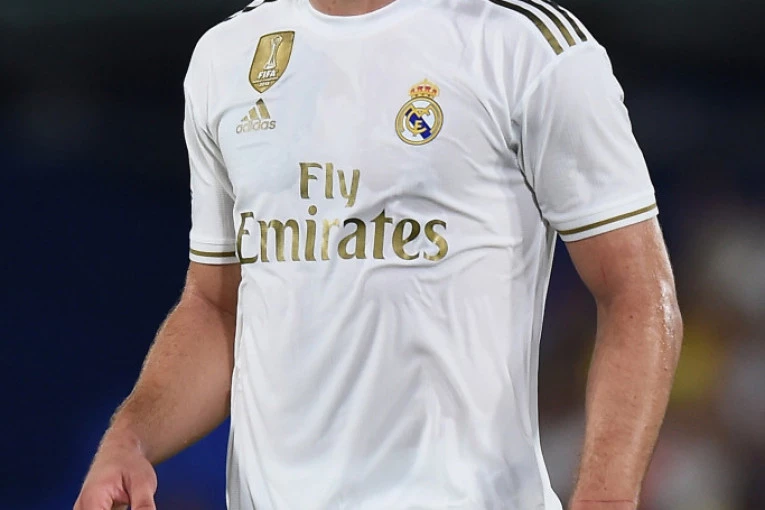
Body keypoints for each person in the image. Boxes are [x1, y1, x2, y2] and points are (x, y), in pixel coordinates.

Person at [74, 0, 683, 508]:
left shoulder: (527, 46)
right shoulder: (227, 54)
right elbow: (217, 306)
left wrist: (606, 495)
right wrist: (130, 439)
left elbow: (635, 289)